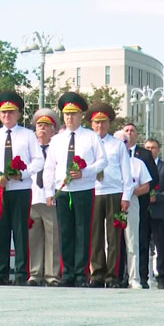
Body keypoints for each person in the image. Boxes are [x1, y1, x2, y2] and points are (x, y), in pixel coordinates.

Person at [43, 92, 107, 287]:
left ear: (81, 116)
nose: (70, 118)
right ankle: (67, 272)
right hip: (63, 191)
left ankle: (81, 273)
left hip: (84, 189)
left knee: (83, 231)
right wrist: (48, 192)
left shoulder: (91, 137)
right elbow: (49, 167)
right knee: (65, 232)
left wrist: (86, 172)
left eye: (74, 114)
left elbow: (103, 161)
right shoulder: (57, 140)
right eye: (66, 114)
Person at [0, 92, 44, 286]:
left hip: (20, 189)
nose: (7, 116)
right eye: (3, 112)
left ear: (18, 114)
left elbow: (38, 160)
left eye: (11, 112)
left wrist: (22, 174)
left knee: (20, 231)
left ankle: (20, 272)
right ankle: (0, 272)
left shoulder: (27, 135)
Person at [88, 103, 133, 288]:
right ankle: (97, 273)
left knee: (114, 236)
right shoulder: (88, 143)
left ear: (109, 124)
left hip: (114, 192)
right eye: (97, 123)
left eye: (104, 122)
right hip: (94, 191)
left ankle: (112, 275)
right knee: (95, 235)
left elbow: (126, 171)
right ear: (92, 124)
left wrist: (126, 195)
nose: (100, 126)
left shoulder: (117, 145)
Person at [121, 123, 159, 288]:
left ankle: (140, 276)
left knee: (138, 240)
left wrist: (135, 192)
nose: (129, 134)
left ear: (137, 135)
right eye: (126, 131)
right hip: (115, 201)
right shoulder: (113, 157)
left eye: (132, 131)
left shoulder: (143, 155)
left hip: (138, 202)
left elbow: (152, 179)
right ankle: (118, 276)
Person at [112, 131, 151, 289]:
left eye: (124, 143)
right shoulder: (108, 162)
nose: (122, 146)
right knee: (111, 242)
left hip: (131, 202)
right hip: (112, 201)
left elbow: (146, 186)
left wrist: (131, 192)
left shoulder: (137, 163)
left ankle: (134, 278)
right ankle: (112, 276)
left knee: (132, 241)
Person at [29, 108, 62, 287]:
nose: (42, 129)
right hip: (32, 197)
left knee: (53, 237)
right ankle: (35, 273)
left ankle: (51, 275)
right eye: (39, 125)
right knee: (33, 238)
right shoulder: (30, 146)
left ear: (53, 129)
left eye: (46, 126)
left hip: (50, 197)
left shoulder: (56, 147)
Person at [143, 138, 164, 289]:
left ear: (159, 150)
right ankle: (142, 276)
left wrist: (157, 197)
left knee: (162, 247)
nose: (151, 150)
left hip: (161, 212)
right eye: (148, 148)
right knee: (142, 245)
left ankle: (163, 277)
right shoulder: (139, 165)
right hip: (143, 211)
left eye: (154, 147)